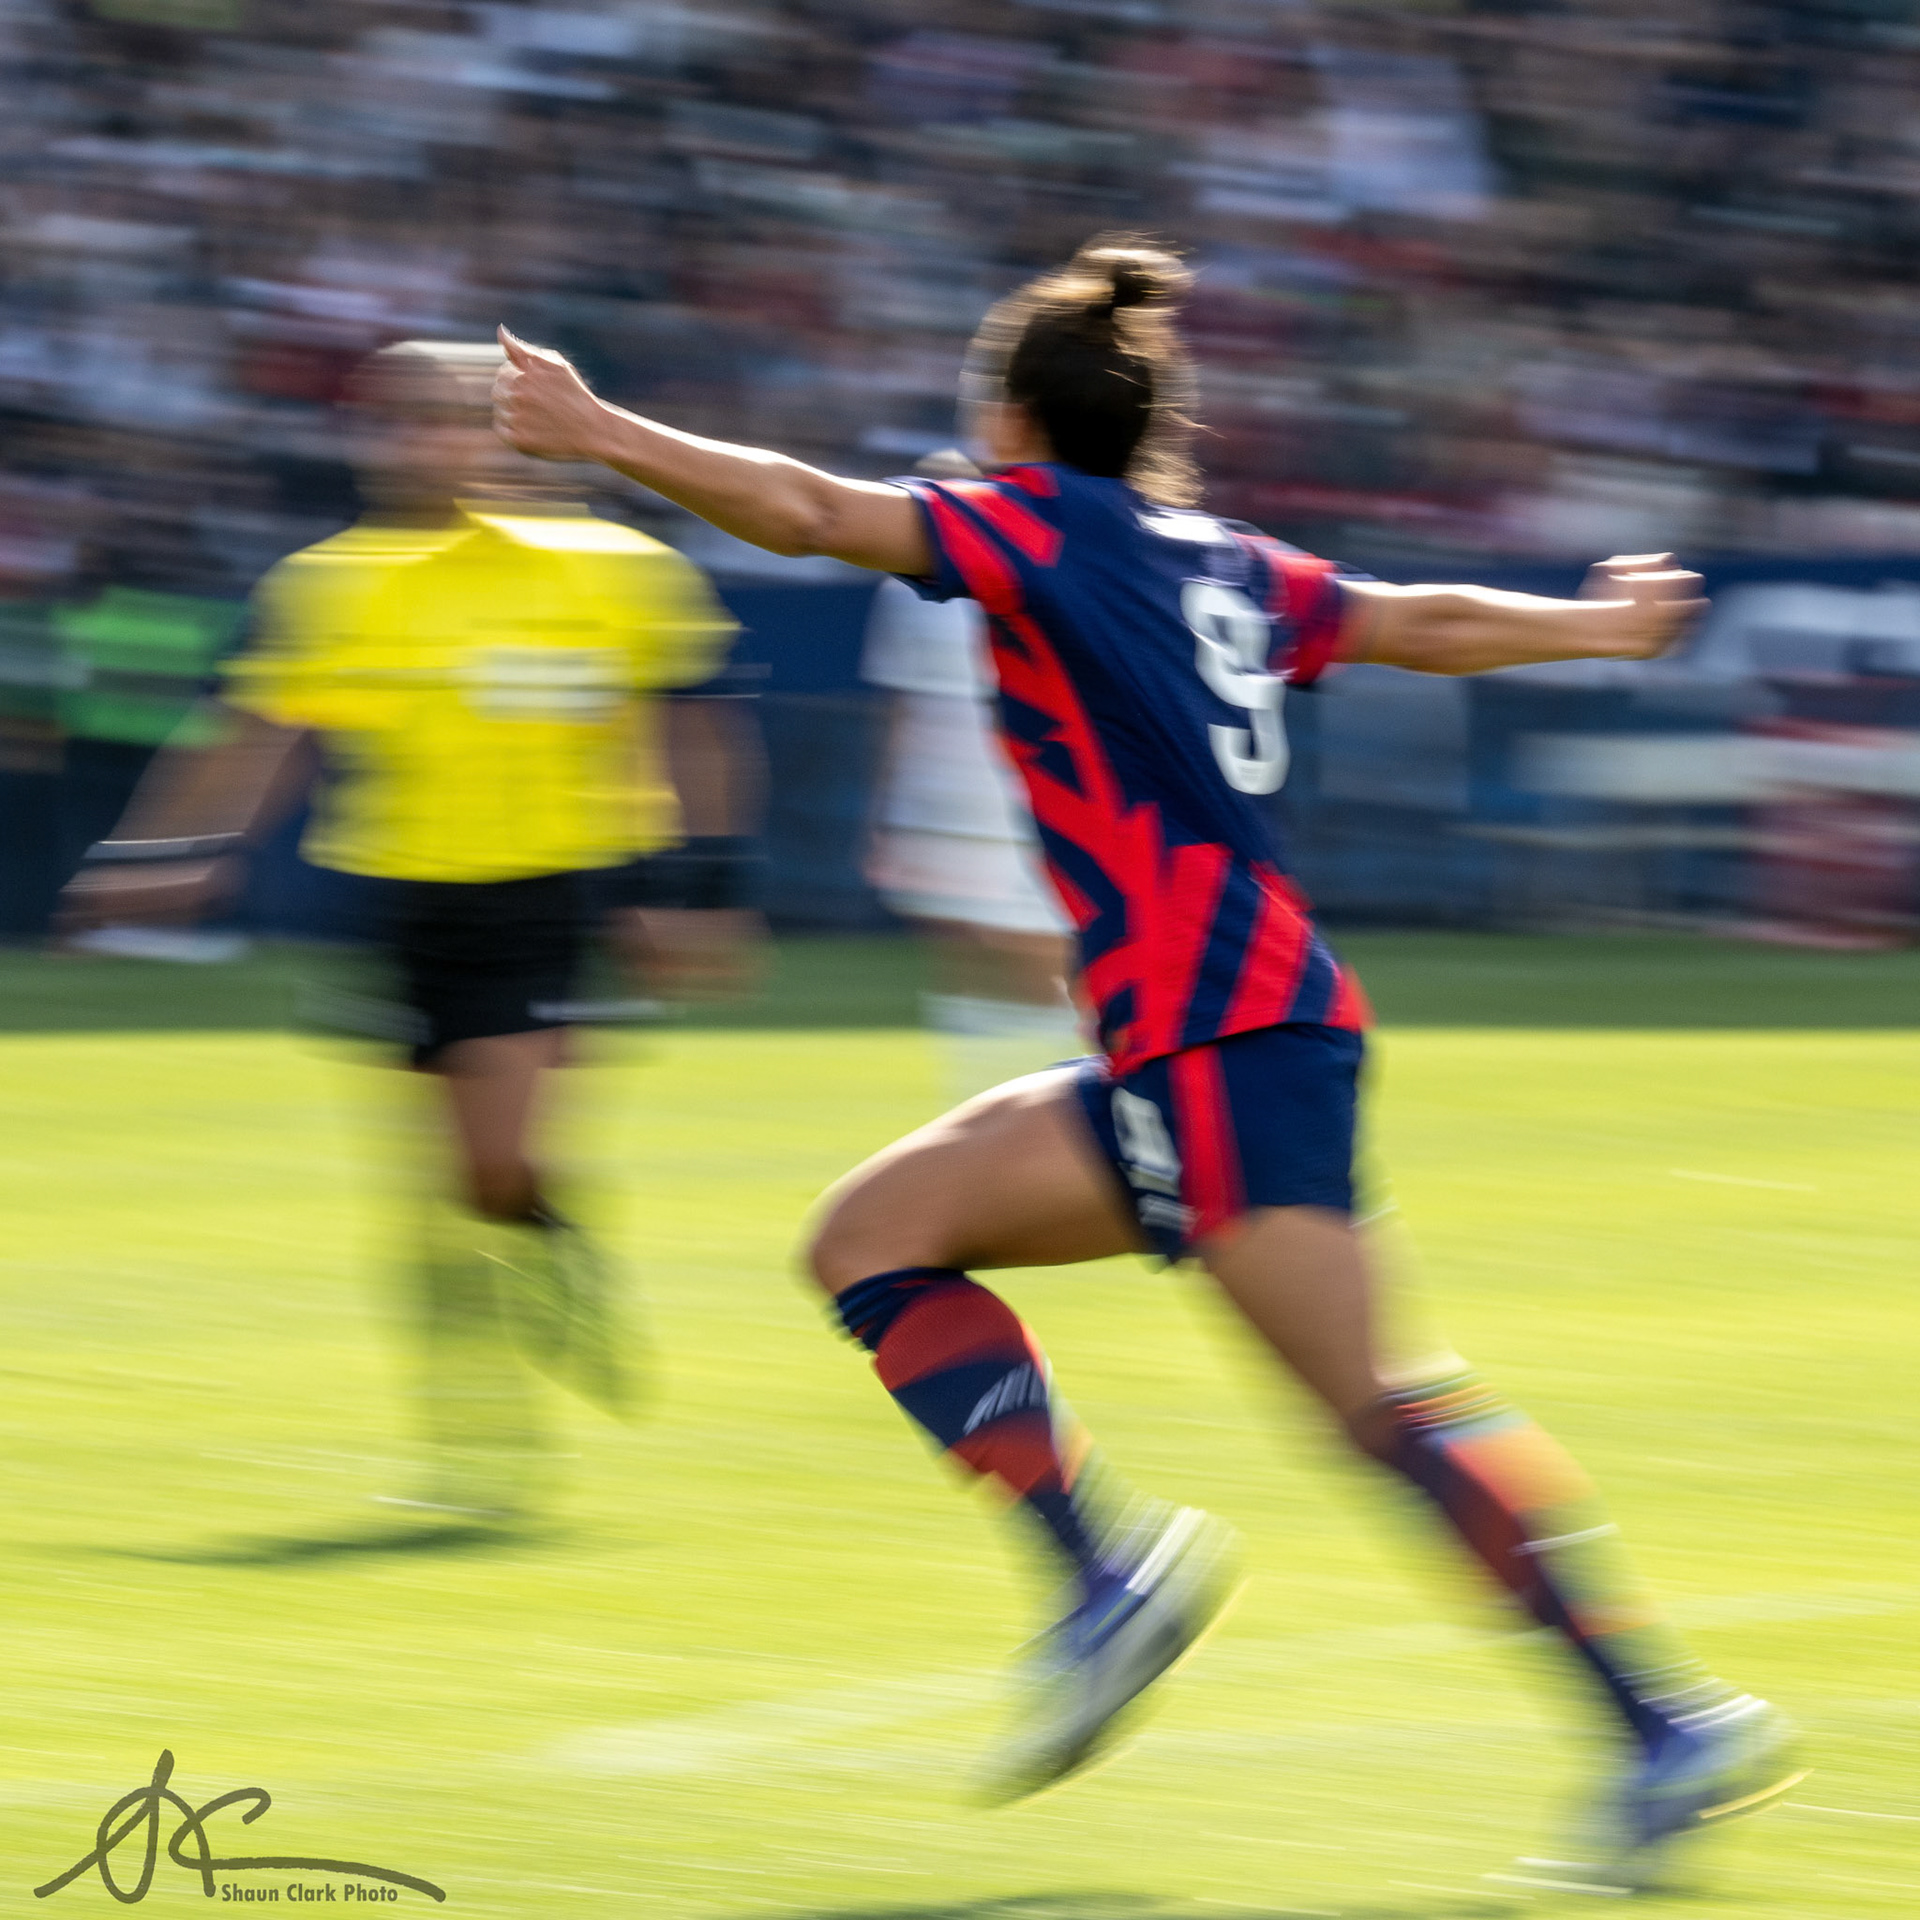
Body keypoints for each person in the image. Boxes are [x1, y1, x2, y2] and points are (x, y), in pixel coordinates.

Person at [491, 239, 1796, 1883]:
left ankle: (1663, 1723)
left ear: (1015, 414)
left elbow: (815, 513)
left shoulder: (1034, 522)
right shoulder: (1222, 558)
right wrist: (1596, 633)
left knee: (1380, 1405)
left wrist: (605, 432)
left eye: (977, 404)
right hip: (1209, 1040)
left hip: (1224, 1038)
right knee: (872, 1236)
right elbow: (1417, 620)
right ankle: (1107, 1578)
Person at [61, 339, 752, 1519]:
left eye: (454, 420)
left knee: (498, 1162)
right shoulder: (335, 583)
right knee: (434, 1185)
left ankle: (545, 1235)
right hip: (403, 896)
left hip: (554, 892)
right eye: (404, 422)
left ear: (508, 430)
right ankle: (478, 1440)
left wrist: (697, 888)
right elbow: (258, 735)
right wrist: (161, 859)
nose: (429, 443)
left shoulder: (619, 569)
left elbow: (690, 727)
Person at [863, 451, 1078, 1100]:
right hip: (938, 800)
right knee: (963, 952)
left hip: (1017, 798)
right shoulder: (901, 589)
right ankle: (982, 1109)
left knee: (1045, 960)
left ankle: (1102, 1107)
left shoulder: (1029, 574)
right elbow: (898, 705)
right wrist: (885, 808)